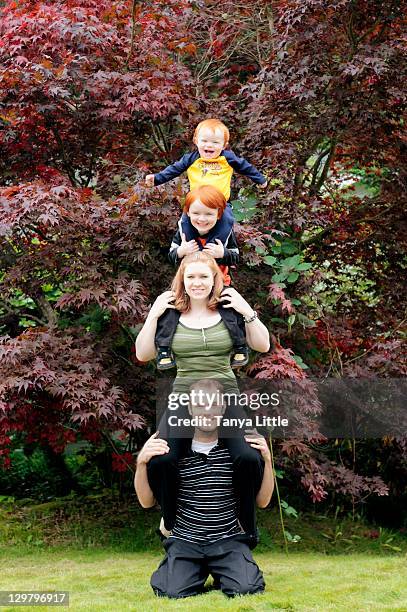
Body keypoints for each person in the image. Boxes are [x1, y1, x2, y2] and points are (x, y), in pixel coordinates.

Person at [135, 251, 270, 543]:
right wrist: (152, 314)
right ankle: (170, 521)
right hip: (184, 398)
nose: (197, 282)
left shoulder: (229, 311)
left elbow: (263, 344)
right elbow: (143, 354)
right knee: (161, 460)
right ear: (182, 279)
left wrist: (248, 310)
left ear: (215, 280)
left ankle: (245, 526)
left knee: (248, 458)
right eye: (191, 276)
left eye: (204, 276)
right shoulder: (171, 313)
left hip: (226, 398)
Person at [134, 378, 274, 599]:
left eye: (213, 404)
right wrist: (141, 462)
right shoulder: (173, 454)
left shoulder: (238, 453)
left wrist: (267, 460)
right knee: (170, 592)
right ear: (189, 408)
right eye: (200, 405)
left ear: (223, 407)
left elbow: (263, 501)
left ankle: (226, 570)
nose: (207, 411)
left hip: (228, 540)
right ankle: (187, 569)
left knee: (246, 589)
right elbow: (146, 501)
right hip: (186, 541)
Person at [156, 184, 246, 371]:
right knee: (170, 309)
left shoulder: (226, 233)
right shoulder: (183, 232)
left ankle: (240, 346)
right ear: (188, 213)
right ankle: (164, 349)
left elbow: (236, 256)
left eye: (208, 214)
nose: (202, 219)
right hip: (189, 284)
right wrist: (181, 250)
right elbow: (171, 255)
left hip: (219, 283)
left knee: (230, 311)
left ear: (219, 214)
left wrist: (222, 252)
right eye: (196, 213)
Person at [144, 118, 268, 246]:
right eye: (204, 141)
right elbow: (174, 170)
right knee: (186, 222)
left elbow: (245, 167)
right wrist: (157, 179)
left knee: (226, 221)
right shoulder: (191, 158)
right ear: (196, 141)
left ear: (224, 145)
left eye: (215, 142)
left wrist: (260, 179)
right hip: (196, 203)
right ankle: (189, 245)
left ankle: (212, 247)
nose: (209, 145)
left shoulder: (227, 158)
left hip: (220, 203)